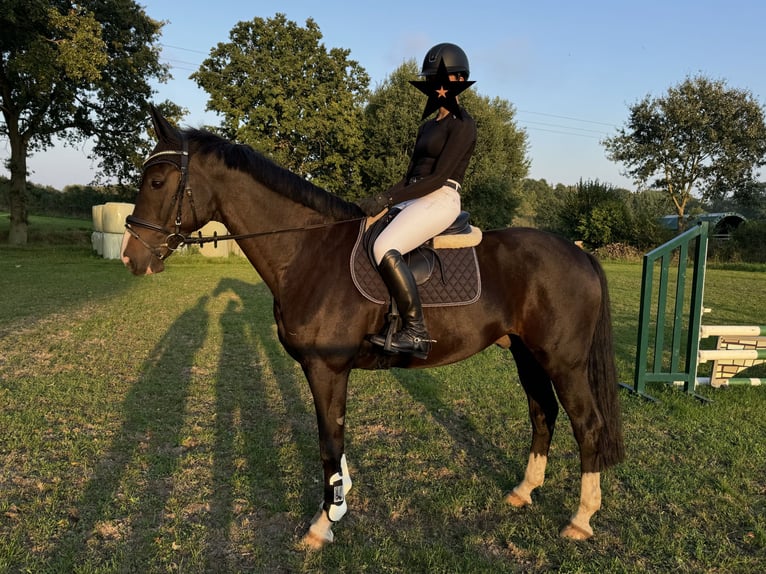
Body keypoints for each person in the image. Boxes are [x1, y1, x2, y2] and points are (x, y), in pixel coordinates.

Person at [358, 43, 477, 360]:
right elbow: (412, 176)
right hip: (414, 195)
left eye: (443, 79)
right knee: (366, 234)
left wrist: (390, 197)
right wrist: (381, 198)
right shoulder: (427, 127)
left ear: (460, 80)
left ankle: (416, 333)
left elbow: (437, 178)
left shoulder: (463, 124)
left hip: (441, 196)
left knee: (384, 247)